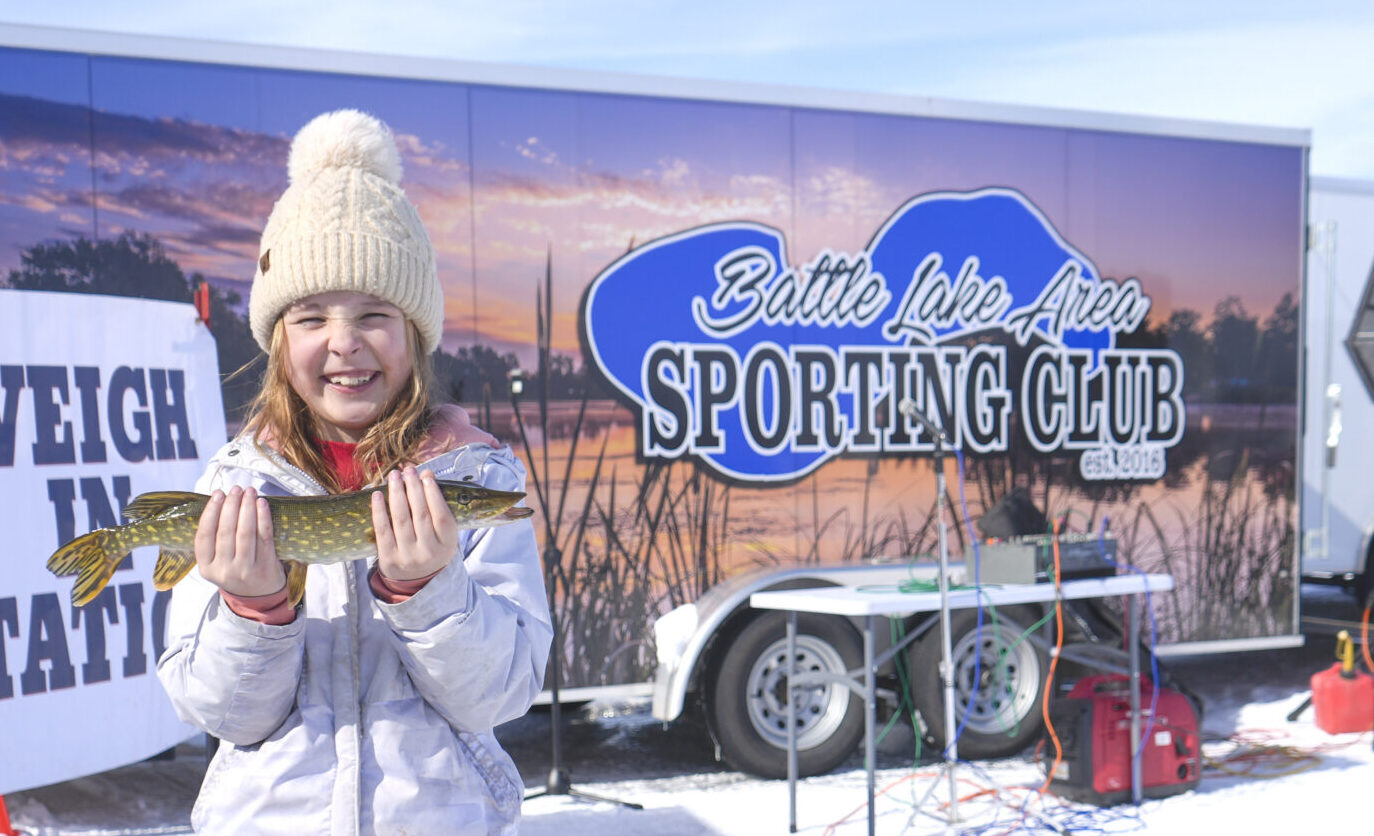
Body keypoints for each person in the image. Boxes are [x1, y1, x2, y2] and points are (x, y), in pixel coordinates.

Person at [157, 109, 553, 835]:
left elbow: (505, 693)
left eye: (374, 313)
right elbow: (219, 714)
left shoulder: (480, 474)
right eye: (309, 318)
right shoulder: (235, 485)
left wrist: (429, 593)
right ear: (278, 344)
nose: (344, 343)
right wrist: (253, 608)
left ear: (416, 336)